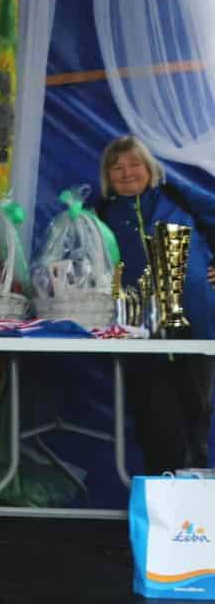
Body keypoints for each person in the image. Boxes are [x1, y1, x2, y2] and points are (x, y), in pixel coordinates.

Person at [96, 135, 215, 474]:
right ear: (107, 176)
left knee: (197, 415)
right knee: (155, 419)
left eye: (135, 164)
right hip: (139, 333)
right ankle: (159, 493)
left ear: (150, 168)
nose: (127, 173)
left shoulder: (177, 196)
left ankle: (193, 495)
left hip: (196, 324)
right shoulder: (101, 213)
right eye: (117, 168)